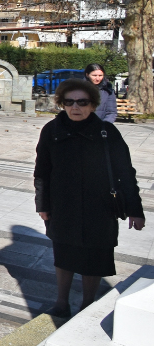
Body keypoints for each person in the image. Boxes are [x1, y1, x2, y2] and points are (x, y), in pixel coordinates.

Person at [35, 78, 144, 316]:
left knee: (94, 256)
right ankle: (62, 302)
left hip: (100, 206)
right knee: (64, 253)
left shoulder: (107, 132)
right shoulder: (52, 131)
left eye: (82, 102)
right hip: (63, 205)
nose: (76, 107)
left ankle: (88, 302)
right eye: (69, 102)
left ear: (93, 104)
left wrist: (135, 209)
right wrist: (42, 204)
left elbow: (125, 173)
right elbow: (42, 171)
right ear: (62, 103)